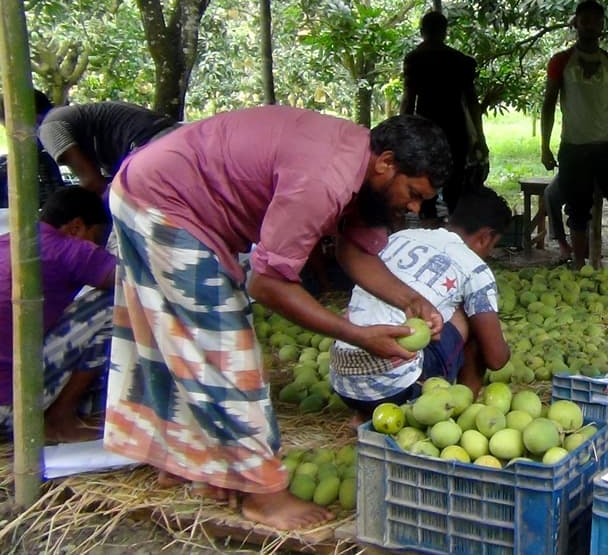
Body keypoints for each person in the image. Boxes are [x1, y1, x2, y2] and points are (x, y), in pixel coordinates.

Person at [102, 106, 452, 531]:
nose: (413, 207)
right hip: (163, 200)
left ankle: (188, 464)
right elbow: (266, 285)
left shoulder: (360, 167)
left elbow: (354, 252)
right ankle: (263, 494)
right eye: (412, 193)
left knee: (175, 340)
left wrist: (411, 300)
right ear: (386, 163)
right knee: (223, 348)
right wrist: (356, 335)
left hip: (163, 190)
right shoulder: (324, 179)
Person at [329, 186, 512, 420]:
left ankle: (366, 415)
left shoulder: (400, 237)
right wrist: (504, 347)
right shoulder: (475, 268)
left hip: (344, 382)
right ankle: (460, 411)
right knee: (476, 318)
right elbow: (496, 359)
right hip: (398, 388)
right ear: (486, 237)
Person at [0, 187, 115, 443]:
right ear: (76, 227)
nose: (98, 248)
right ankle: (59, 419)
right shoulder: (68, 249)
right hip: (11, 411)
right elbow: (141, 283)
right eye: (96, 238)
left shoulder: (9, 241)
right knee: (115, 303)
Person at [541, 0, 608, 266]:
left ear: (602, 25)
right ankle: (579, 264)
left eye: (596, 22)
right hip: (575, 145)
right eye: (585, 21)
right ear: (576, 23)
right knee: (577, 208)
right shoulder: (561, 61)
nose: (590, 27)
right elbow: (548, 103)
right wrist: (545, 146)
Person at [401, 11, 488, 221]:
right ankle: (454, 231)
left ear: (422, 32)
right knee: (455, 184)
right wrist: (479, 137)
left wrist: (403, 132)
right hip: (455, 128)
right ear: (444, 32)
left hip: (425, 129)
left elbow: (408, 100)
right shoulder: (460, 61)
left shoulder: (414, 59)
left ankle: (430, 225)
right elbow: (472, 103)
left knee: (426, 182)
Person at [33, 89, 178, 195]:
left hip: (152, 144)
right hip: (172, 137)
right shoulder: (66, 115)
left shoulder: (49, 127)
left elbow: (93, 183)